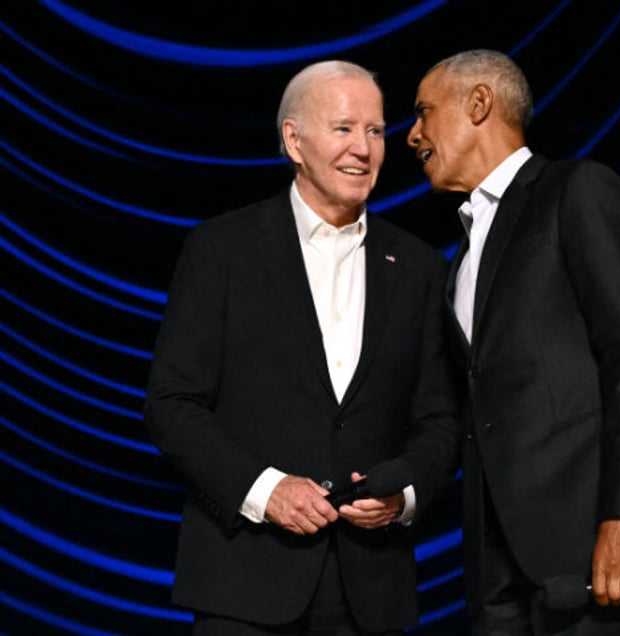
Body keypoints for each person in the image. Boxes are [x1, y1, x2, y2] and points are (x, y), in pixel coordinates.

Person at [145, 60, 459, 635]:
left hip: (372, 592)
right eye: (343, 128)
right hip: (245, 583)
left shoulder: (418, 267)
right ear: (294, 140)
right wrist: (267, 490)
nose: (363, 149)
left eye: (374, 131)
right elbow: (171, 404)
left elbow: (440, 418)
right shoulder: (222, 250)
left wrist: (404, 491)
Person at [407, 49, 620, 635]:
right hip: (497, 573)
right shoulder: (460, 259)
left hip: (591, 554)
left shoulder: (576, 192)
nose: (412, 136)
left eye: (424, 113)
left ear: (479, 102)